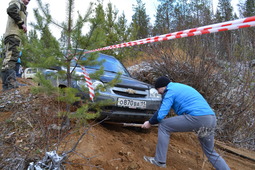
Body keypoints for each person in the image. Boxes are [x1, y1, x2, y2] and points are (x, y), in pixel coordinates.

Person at [142, 76, 230, 170]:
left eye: (158, 90)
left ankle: (159, 161)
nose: (159, 93)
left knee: (164, 125)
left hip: (197, 118)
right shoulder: (179, 87)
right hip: (211, 119)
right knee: (210, 151)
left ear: (162, 87)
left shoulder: (169, 91)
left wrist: (150, 122)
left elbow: (161, 115)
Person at [1, 0, 30, 91]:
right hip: (13, 35)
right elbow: (11, 10)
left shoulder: (22, 7)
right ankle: (10, 83)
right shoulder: (17, 3)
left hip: (14, 36)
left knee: (9, 58)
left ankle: (7, 84)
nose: (28, 1)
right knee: (11, 58)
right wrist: (22, 23)